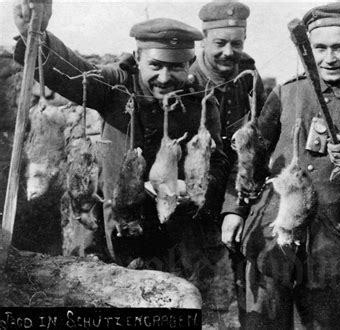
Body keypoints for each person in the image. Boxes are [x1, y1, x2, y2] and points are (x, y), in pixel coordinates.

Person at [13, 1, 230, 270]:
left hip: (172, 236)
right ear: (138, 57)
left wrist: (195, 187)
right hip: (112, 232)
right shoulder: (115, 86)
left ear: (191, 63)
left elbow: (218, 162)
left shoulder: (202, 103)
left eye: (176, 68)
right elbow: (74, 72)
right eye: (156, 65)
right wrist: (35, 35)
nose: (164, 77)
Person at [223, 2, 340, 328]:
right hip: (269, 248)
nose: (330, 57)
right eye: (320, 48)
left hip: (329, 260)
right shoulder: (286, 94)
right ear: (307, 49)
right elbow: (249, 158)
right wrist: (233, 210)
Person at [189, 0, 266, 325]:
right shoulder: (187, 81)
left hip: (236, 205)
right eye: (220, 43)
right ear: (203, 40)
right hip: (193, 210)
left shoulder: (248, 78)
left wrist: (234, 208)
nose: (228, 52)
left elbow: (254, 148)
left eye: (236, 43)